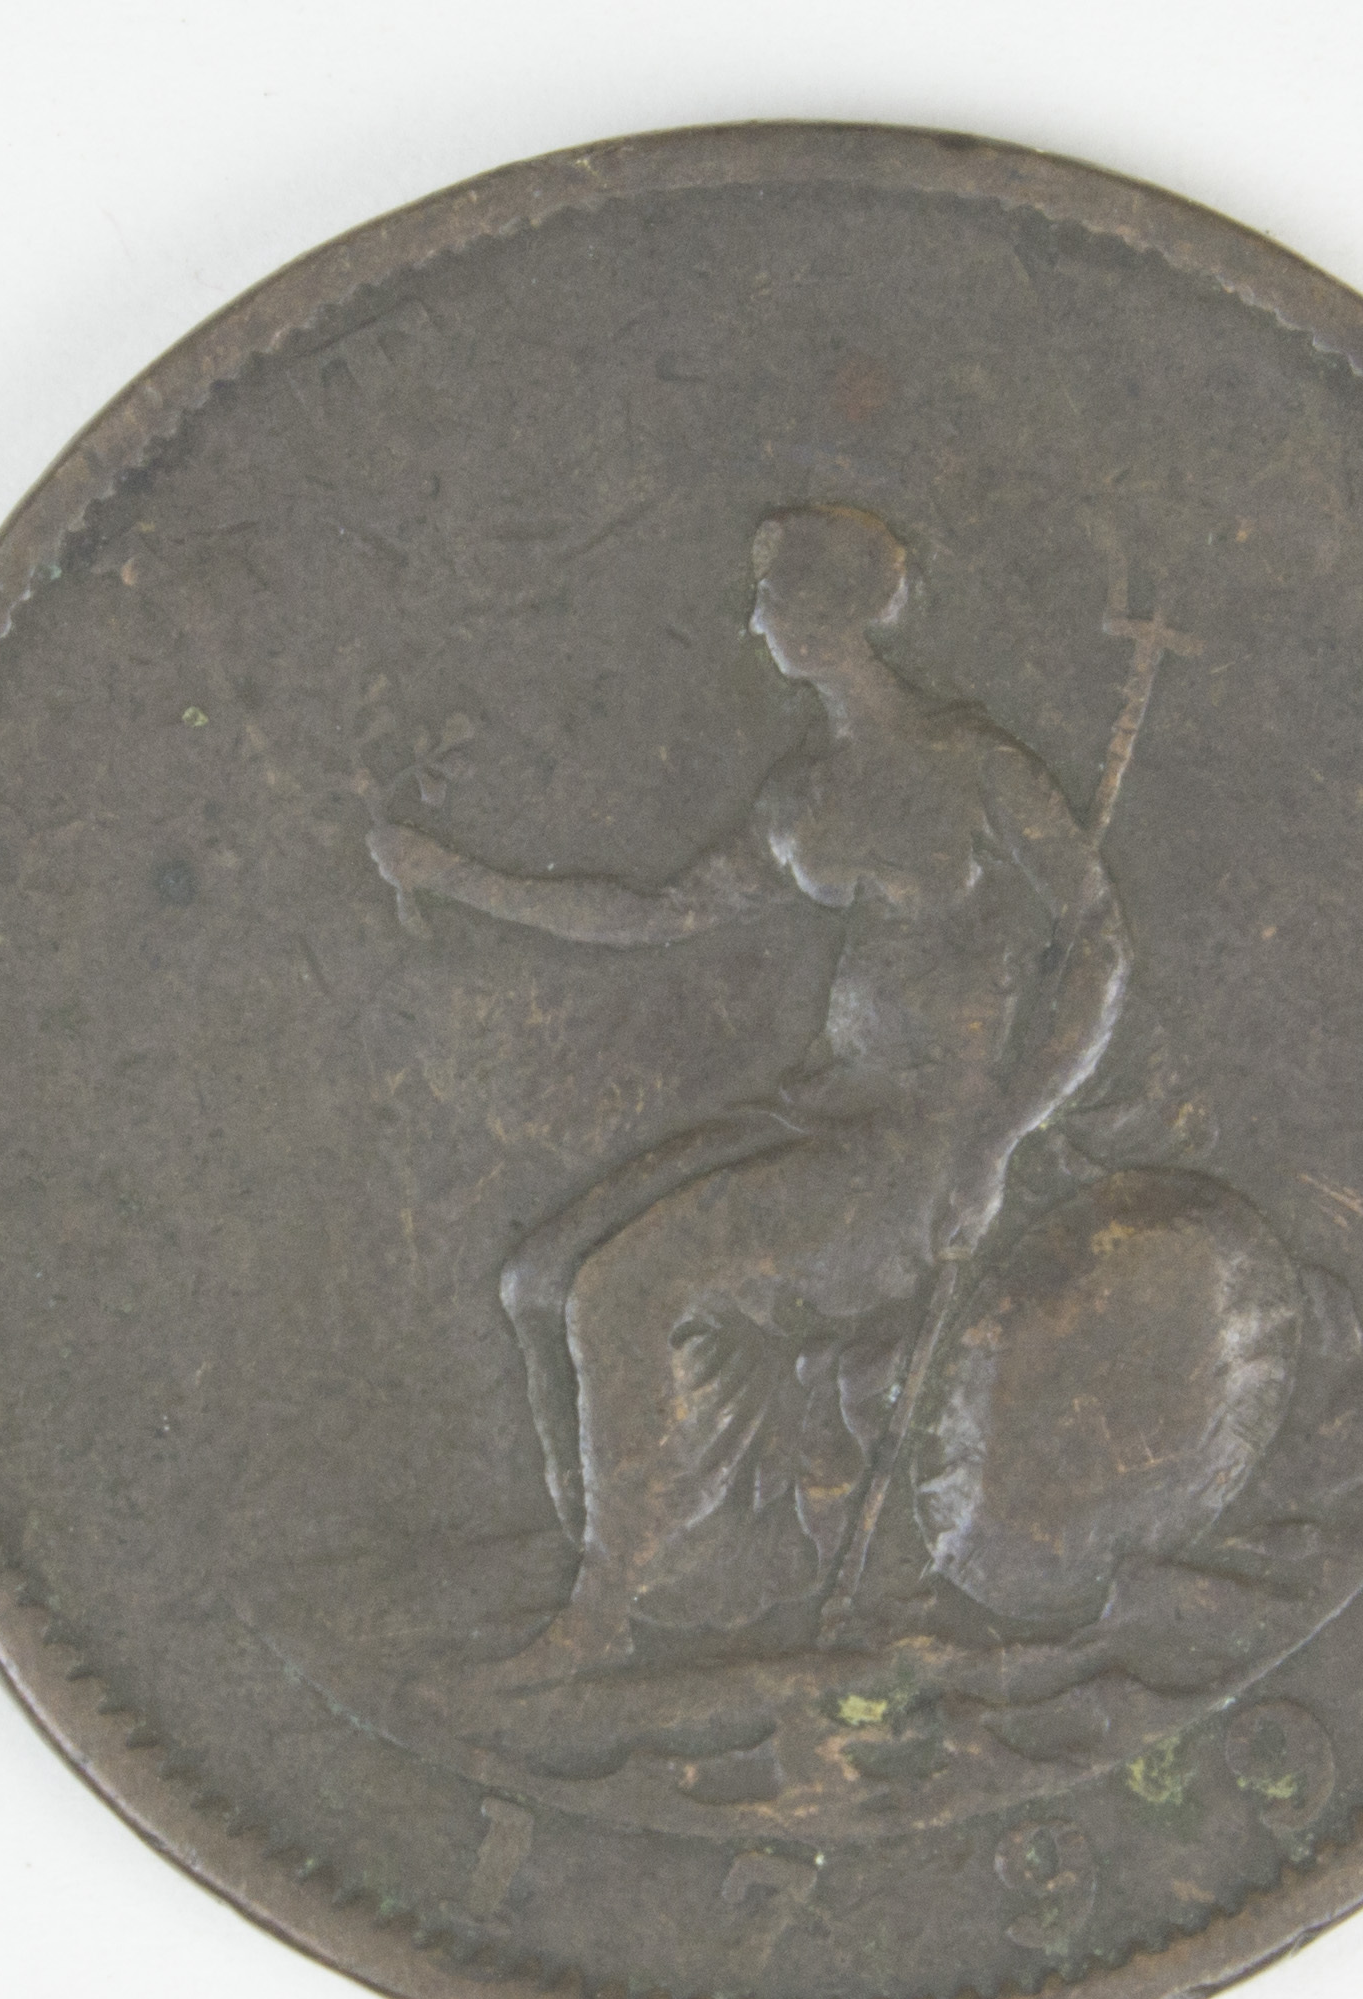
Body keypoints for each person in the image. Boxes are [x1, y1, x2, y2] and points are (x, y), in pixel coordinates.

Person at [369, 505, 1130, 1670]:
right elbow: (654, 914)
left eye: (769, 599)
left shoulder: (976, 769)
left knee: (618, 1288)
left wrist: (999, 1142)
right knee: (535, 1280)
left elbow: (1099, 945)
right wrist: (458, 877)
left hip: (923, 1139)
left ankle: (599, 1619)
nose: (754, 623)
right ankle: (653, 1570)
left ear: (828, 614)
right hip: (822, 1111)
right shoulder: (802, 797)